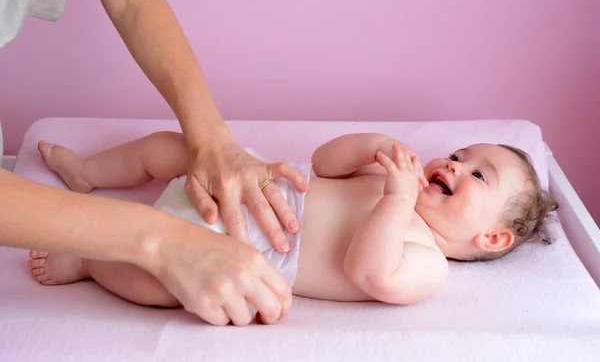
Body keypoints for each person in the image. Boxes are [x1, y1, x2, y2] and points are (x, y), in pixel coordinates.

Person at [0, 0, 308, 325]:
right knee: (155, 282)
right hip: (219, 233)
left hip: (239, 203)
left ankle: (86, 173)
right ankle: (86, 257)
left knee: (171, 151)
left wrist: (210, 139)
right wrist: (156, 240)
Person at [28, 131, 558, 324]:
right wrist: (370, 145)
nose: (456, 165)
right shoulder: (391, 174)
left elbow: (367, 270)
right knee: (171, 147)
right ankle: (88, 172)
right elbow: (323, 162)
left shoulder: (427, 262)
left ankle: (89, 260)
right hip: (250, 186)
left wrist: (397, 200)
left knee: (157, 288)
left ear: (491, 237)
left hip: (233, 250)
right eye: (461, 155)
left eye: (477, 175)